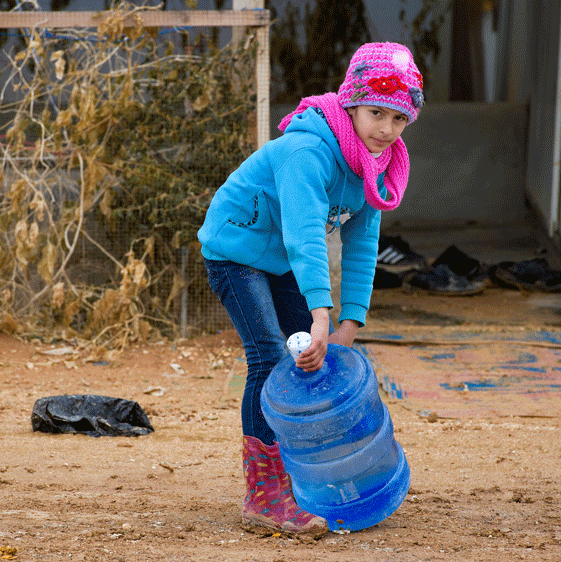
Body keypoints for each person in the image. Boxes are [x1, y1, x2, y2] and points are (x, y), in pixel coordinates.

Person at [197, 42, 423, 536]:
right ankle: (264, 497)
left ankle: (303, 481)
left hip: (280, 258)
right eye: (376, 113)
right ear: (351, 104)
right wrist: (321, 313)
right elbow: (305, 237)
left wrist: (348, 323)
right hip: (236, 249)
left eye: (399, 118)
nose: (386, 129)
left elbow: (362, 244)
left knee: (309, 365)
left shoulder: (375, 163)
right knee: (269, 358)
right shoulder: (308, 151)